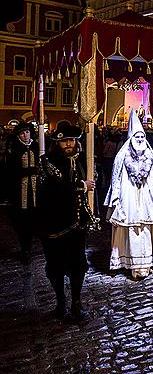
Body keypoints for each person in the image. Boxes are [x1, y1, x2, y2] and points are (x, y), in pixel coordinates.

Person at [37, 122, 96, 321]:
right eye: (64, 141)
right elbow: (57, 187)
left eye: (71, 140)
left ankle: (76, 303)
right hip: (54, 223)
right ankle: (60, 301)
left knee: (78, 265)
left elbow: (92, 180)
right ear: (57, 142)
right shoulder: (47, 161)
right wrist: (82, 185)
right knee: (55, 266)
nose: (69, 144)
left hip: (77, 224)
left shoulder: (83, 159)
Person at [104, 110, 153, 279]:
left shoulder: (150, 155)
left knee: (146, 227)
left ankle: (145, 263)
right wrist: (116, 197)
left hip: (145, 197)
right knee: (129, 227)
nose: (139, 140)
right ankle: (128, 262)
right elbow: (116, 178)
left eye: (142, 137)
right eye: (136, 137)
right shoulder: (122, 155)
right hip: (128, 196)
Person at [6, 122, 39, 264]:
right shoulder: (15, 150)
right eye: (22, 133)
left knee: (35, 220)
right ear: (18, 135)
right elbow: (10, 172)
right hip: (20, 193)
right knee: (22, 223)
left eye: (27, 132)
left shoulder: (37, 147)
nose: (25, 135)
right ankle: (25, 249)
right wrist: (28, 171)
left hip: (36, 192)